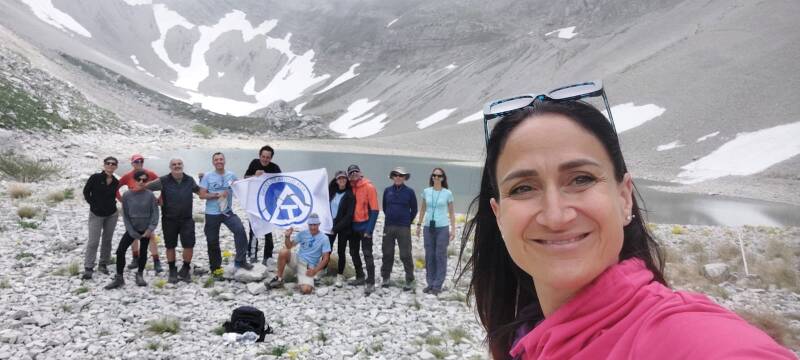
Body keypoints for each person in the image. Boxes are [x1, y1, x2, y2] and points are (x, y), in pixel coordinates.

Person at [460, 92, 795, 359]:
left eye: (581, 179)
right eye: (523, 188)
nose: (555, 215)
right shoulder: (526, 339)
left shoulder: (689, 337)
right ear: (499, 215)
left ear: (624, 198)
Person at [146, 158, 200, 283]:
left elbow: (199, 192)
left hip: (187, 219)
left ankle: (186, 268)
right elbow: (146, 188)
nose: (177, 166)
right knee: (170, 245)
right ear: (170, 167)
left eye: (179, 164)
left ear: (183, 165)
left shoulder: (189, 180)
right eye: (174, 164)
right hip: (169, 219)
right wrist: (155, 200)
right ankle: (172, 270)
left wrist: (215, 193)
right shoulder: (163, 180)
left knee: (189, 244)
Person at [199, 152, 253, 272]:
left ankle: (240, 261)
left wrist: (256, 178)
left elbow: (242, 187)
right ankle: (216, 269)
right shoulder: (208, 176)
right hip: (212, 214)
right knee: (212, 241)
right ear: (213, 162)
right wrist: (217, 195)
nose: (219, 161)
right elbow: (201, 195)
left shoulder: (231, 175)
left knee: (240, 230)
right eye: (216, 160)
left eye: (221, 159)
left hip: (227, 212)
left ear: (224, 161)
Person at [104, 170, 159, 289]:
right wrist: (131, 231)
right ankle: (119, 277)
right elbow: (125, 215)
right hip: (132, 229)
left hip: (146, 230)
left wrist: (150, 229)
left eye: (144, 180)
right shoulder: (127, 195)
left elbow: (155, 214)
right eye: (139, 179)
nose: (141, 182)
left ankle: (140, 274)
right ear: (134, 180)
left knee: (143, 252)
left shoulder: (150, 195)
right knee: (120, 251)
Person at [117, 154, 162, 273]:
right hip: (133, 211)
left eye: (141, 161)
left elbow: (163, 184)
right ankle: (135, 258)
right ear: (132, 163)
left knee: (151, 235)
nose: (139, 163)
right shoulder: (127, 176)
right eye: (136, 162)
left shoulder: (150, 174)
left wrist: (160, 199)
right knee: (133, 236)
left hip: (146, 210)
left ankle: (156, 261)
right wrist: (121, 199)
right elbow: (116, 187)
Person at [267, 213, 331, 294]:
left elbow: (326, 259)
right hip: (297, 259)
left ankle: (302, 279)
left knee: (306, 290)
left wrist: (315, 271)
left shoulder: (324, 238)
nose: (313, 227)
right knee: (284, 251)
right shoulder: (302, 233)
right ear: (308, 224)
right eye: (311, 225)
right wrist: (287, 237)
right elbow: (289, 246)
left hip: (308, 267)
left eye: (315, 225)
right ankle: (279, 279)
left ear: (319, 224)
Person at [416, 167, 455, 295]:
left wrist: (453, 229)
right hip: (428, 227)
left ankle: (438, 285)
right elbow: (422, 209)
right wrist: (418, 225)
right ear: (431, 177)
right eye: (434, 175)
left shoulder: (447, 193)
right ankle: (430, 283)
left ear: (443, 178)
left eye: (439, 176)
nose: (436, 178)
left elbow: (452, 213)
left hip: (442, 228)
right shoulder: (426, 191)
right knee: (429, 255)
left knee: (440, 255)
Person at [81, 156, 120, 280]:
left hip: (111, 214)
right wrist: (93, 204)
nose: (110, 165)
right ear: (104, 165)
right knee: (93, 241)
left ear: (116, 167)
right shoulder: (95, 178)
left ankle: (103, 264)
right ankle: (88, 267)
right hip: (96, 214)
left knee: (107, 240)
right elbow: (86, 192)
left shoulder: (115, 181)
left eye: (113, 164)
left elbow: (116, 195)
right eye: (108, 163)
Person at [243, 145, 282, 265]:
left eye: (268, 157)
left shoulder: (275, 168)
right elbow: (244, 178)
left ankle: (267, 257)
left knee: (268, 231)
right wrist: (254, 175)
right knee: (253, 229)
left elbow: (282, 185)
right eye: (263, 157)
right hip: (254, 203)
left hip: (269, 205)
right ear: (259, 156)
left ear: (271, 158)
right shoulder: (254, 163)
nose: (265, 159)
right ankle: (252, 256)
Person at [381, 166, 417, 291]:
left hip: (403, 227)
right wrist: (391, 217)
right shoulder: (387, 191)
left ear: (405, 178)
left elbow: (414, 209)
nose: (398, 177)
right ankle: (385, 277)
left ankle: (409, 279)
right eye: (395, 175)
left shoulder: (410, 192)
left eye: (400, 175)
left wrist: (407, 221)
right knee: (387, 253)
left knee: (405, 254)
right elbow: (385, 207)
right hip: (389, 226)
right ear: (392, 177)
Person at [346, 164, 380, 295]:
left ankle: (370, 282)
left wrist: (369, 230)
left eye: (356, 172)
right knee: (353, 252)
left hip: (365, 226)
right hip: (353, 227)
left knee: (367, 254)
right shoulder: (350, 187)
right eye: (351, 173)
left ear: (360, 173)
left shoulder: (369, 187)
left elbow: (375, 210)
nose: (354, 174)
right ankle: (360, 276)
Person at [327, 170, 355, 287]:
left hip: (343, 228)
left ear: (346, 180)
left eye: (344, 178)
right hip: (330, 226)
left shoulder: (349, 195)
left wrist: (336, 228)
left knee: (341, 251)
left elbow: (349, 216)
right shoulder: (332, 192)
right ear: (336, 180)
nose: (342, 180)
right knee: (326, 249)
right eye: (339, 178)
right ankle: (322, 269)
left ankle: (339, 276)